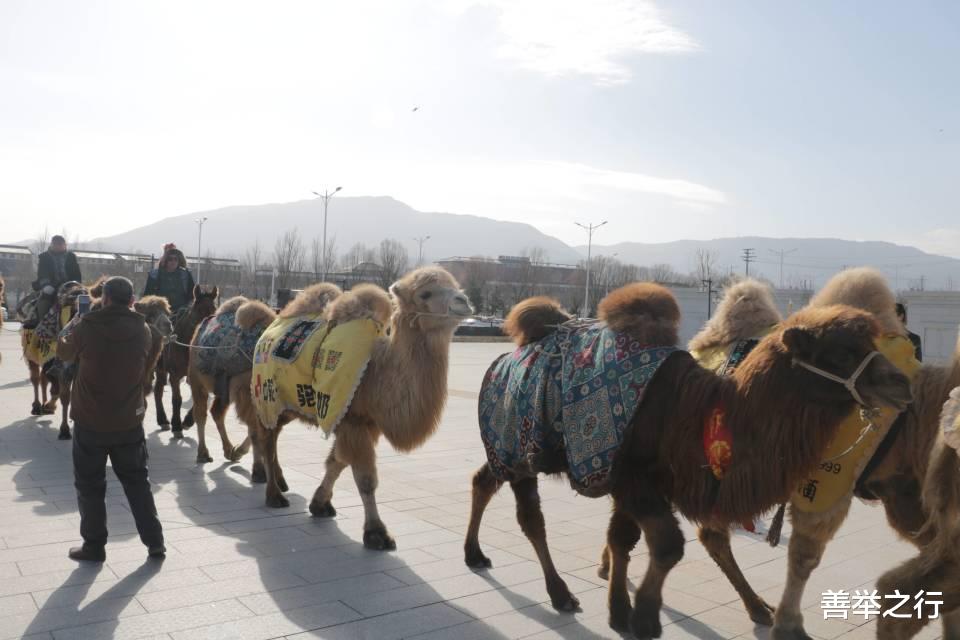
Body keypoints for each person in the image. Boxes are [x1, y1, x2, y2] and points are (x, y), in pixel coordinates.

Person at [58, 276, 165, 562]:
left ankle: (94, 547)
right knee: (137, 483)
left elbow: (63, 351)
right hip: (129, 421)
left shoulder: (86, 326)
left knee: (90, 485)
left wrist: (76, 321)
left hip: (90, 421)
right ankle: (155, 542)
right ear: (132, 301)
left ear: (103, 299)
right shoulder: (144, 330)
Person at [30, 235, 82, 327]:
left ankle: (82, 322)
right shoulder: (44, 257)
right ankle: (43, 324)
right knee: (44, 300)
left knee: (83, 298)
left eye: (60, 244)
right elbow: (42, 273)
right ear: (52, 245)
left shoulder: (71, 257)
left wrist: (76, 285)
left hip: (69, 287)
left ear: (65, 245)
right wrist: (46, 285)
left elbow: (77, 274)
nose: (58, 246)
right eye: (55, 244)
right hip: (51, 286)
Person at [143, 243, 196, 313]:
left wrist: (188, 308)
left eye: (176, 259)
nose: (173, 261)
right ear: (165, 260)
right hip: (160, 313)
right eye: (170, 259)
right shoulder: (154, 275)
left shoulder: (186, 274)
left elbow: (192, 296)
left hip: (182, 313)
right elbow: (147, 296)